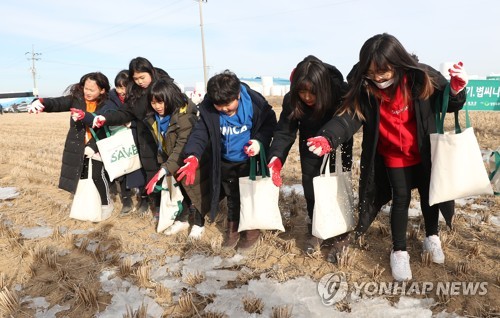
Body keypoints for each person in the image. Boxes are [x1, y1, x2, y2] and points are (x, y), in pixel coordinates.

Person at [307, 33, 467, 281]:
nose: (378, 78)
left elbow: (450, 103)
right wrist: (328, 137)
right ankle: (399, 250)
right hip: (393, 155)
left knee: (430, 196)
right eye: (371, 73)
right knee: (400, 200)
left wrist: (456, 89)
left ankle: (432, 237)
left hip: (424, 151)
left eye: (383, 72)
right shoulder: (366, 89)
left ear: (398, 62)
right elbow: (348, 118)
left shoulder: (420, 77)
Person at [176, 70, 277, 250]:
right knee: (232, 196)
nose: (224, 109)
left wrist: (259, 142)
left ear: (237, 94)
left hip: (249, 161)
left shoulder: (255, 103)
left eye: (228, 104)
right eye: (219, 106)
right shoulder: (208, 108)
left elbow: (270, 123)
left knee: (249, 195)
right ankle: (233, 228)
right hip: (225, 160)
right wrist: (192, 155)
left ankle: (251, 230)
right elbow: (200, 133)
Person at [267, 55, 353, 263]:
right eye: (301, 92)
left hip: (337, 143)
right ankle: (317, 227)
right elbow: (285, 132)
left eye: (311, 92)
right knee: (311, 185)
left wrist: (330, 138)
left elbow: (350, 119)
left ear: (322, 88)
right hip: (310, 145)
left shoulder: (340, 92)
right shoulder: (291, 100)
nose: (306, 97)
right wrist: (276, 158)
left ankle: (341, 233)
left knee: (336, 187)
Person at [92, 57, 172, 224]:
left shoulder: (165, 85)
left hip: (168, 135)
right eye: (135, 79)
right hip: (146, 138)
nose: (139, 82)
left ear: (150, 71)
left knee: (171, 172)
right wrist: (105, 118)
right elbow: (125, 112)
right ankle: (157, 206)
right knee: (152, 172)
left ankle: (178, 208)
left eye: (142, 77)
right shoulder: (135, 93)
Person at [26, 72, 114, 213]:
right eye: (86, 88)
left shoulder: (107, 104)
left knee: (97, 175)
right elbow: (57, 103)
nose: (87, 92)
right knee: (83, 175)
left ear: (102, 90)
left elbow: (106, 127)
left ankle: (106, 203)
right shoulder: (76, 99)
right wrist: (40, 102)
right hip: (79, 144)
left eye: (92, 90)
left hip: (98, 144)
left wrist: (93, 146)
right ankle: (89, 202)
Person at [143, 78, 211, 239]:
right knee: (183, 189)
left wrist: (164, 169)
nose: (157, 106)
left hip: (191, 160)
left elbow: (182, 146)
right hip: (173, 160)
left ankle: (199, 222)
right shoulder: (156, 118)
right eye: (153, 103)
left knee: (196, 190)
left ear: (170, 98)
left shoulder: (185, 117)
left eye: (161, 102)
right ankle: (184, 218)